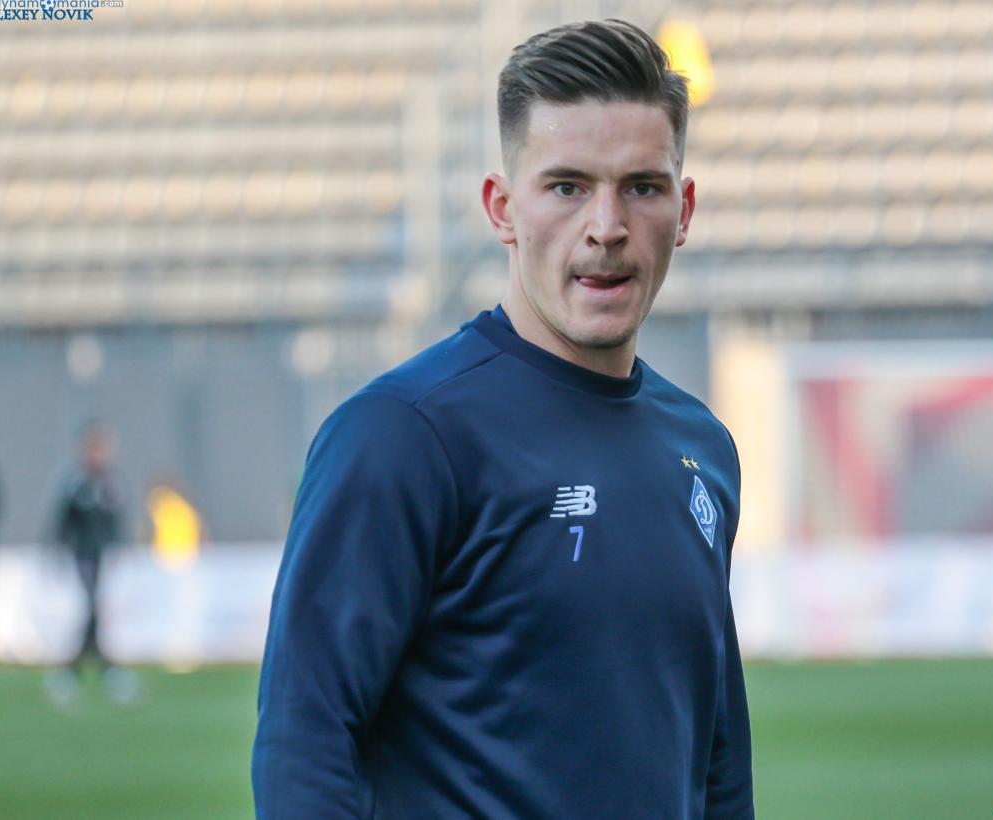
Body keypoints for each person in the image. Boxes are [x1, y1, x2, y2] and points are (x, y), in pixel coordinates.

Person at [252, 19, 754, 818]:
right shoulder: (403, 434)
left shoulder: (702, 448)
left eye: (642, 187)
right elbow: (304, 737)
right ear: (502, 208)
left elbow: (717, 760)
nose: (606, 227)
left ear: (684, 208)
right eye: (567, 187)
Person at [44, 420, 139, 706]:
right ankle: (96, 670)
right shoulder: (75, 483)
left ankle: (80, 671)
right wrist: (57, 550)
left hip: (106, 558)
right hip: (81, 556)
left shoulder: (112, 483)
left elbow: (116, 520)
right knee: (88, 611)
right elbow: (63, 521)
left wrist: (121, 549)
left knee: (98, 614)